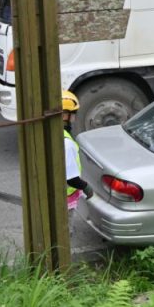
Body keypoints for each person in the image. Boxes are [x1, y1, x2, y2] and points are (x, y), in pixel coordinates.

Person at [61, 91, 93, 230]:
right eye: (73, 114)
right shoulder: (67, 143)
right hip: (65, 198)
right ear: (64, 115)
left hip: (55, 196)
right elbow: (71, 179)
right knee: (66, 230)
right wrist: (86, 187)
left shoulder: (54, 133)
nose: (74, 118)